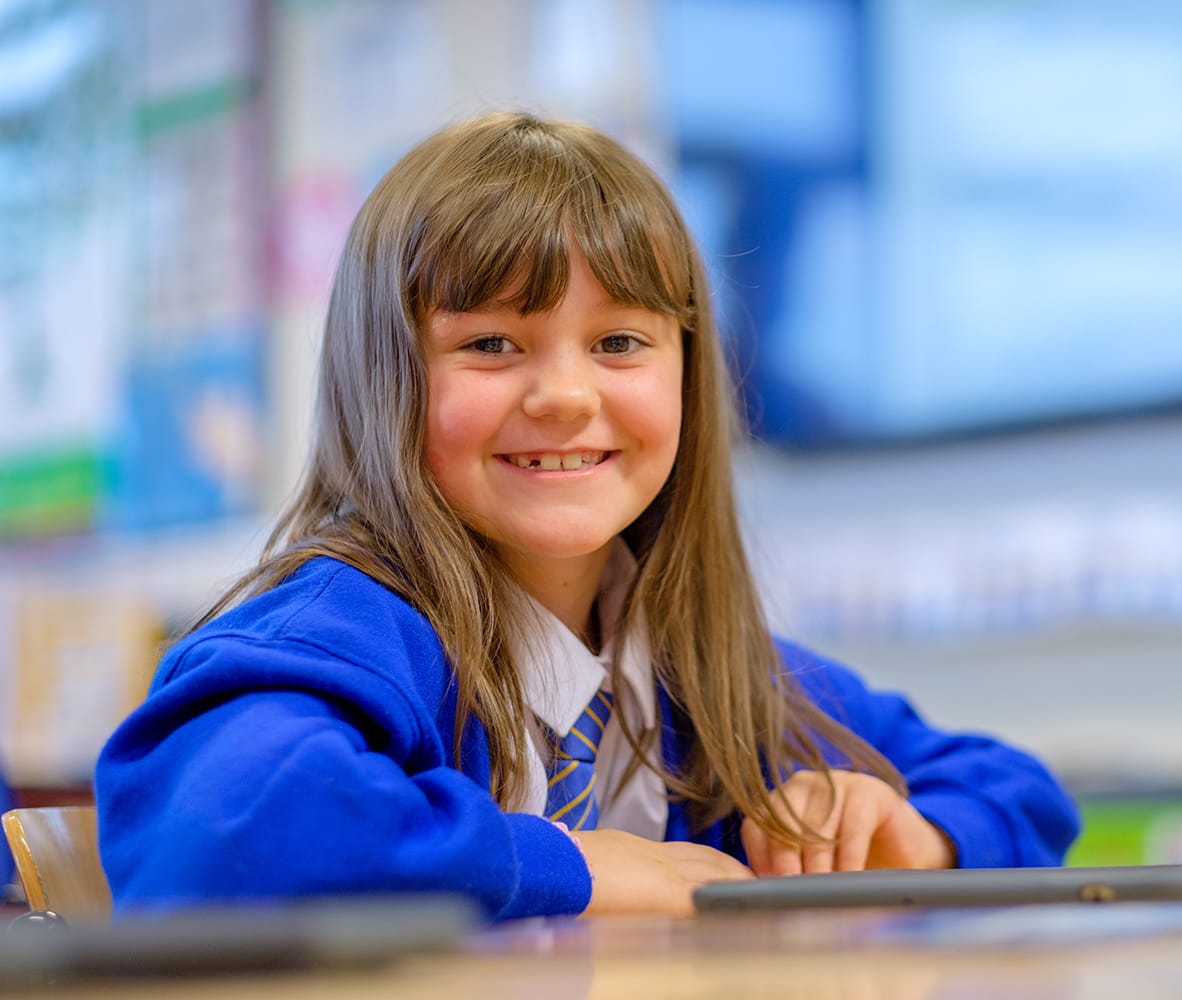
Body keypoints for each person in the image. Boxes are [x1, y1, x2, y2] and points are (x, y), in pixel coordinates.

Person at [94, 112, 1078, 922]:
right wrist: (570, 865)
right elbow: (226, 836)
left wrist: (911, 832)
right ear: (381, 378)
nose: (565, 396)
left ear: (687, 374)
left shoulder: (712, 673)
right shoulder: (342, 634)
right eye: (491, 343)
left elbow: (1020, 792)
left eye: (618, 342)